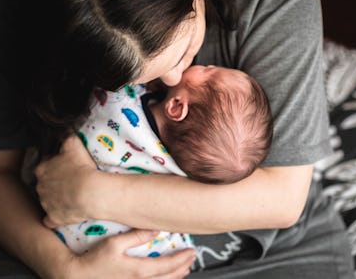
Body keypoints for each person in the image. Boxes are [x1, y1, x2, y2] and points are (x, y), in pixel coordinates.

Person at [0, 0, 355, 278]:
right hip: (73, 249)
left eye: (183, 51)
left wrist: (87, 193)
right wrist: (64, 268)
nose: (177, 76)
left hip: (259, 257)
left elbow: (281, 201)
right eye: (132, 82)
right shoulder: (30, 5)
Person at [56, 65, 273, 257]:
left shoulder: (118, 104)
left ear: (177, 107)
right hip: (151, 252)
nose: (208, 65)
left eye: (208, 72)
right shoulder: (184, 172)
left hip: (73, 226)